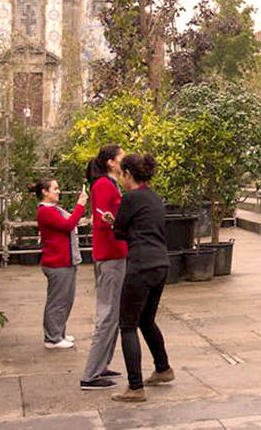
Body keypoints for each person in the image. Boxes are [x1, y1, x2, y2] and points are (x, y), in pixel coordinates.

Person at [109, 153, 174, 403]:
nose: (121, 179)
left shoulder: (131, 198)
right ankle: (163, 368)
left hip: (140, 265)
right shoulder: (154, 197)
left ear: (128, 174)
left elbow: (119, 231)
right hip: (161, 264)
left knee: (127, 325)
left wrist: (113, 223)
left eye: (122, 175)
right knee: (147, 319)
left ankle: (135, 387)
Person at [79, 144, 128, 390]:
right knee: (108, 314)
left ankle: (102, 365)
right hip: (110, 256)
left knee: (113, 313)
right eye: (121, 157)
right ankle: (91, 373)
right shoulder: (103, 186)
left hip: (113, 254)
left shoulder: (108, 185)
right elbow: (104, 220)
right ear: (111, 162)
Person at [35, 177, 87, 350]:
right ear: (44, 191)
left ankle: (59, 332)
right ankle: (52, 338)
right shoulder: (45, 211)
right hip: (57, 262)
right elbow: (69, 224)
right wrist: (80, 205)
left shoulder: (54, 209)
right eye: (55, 188)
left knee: (66, 299)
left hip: (65, 260)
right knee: (57, 301)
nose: (58, 191)